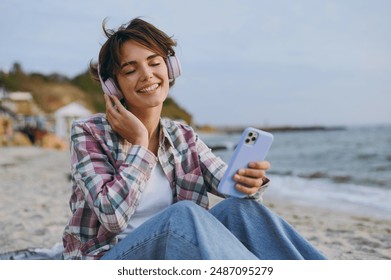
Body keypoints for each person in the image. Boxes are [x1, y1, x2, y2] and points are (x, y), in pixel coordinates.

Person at [61, 17, 326, 260]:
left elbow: (229, 184)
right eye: (130, 70)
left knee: (239, 210)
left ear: (171, 68)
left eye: (155, 62)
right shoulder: (88, 132)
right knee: (184, 214)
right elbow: (112, 216)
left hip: (175, 257)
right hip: (111, 260)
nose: (147, 75)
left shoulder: (182, 135)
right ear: (113, 85)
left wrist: (248, 183)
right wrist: (140, 144)